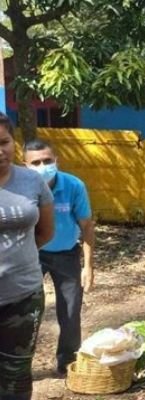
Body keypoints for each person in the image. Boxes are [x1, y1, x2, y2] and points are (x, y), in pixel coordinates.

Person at [23, 139, 95, 375]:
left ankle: (67, 361)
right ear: (25, 166)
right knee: (24, 310)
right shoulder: (19, 188)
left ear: (57, 161)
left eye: (47, 160)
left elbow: (86, 226)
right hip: (30, 254)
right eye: (35, 162)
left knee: (71, 310)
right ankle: (19, 364)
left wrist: (89, 267)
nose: (42, 166)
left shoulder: (74, 186)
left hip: (66, 254)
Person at [0, 114, 55, 400]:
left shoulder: (32, 182)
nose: (0, 151)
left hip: (23, 296)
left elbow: (45, 232)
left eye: (4, 142)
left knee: (16, 374)